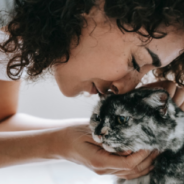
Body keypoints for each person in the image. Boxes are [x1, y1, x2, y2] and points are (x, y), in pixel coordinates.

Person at [0, 0, 184, 180]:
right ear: (93, 6)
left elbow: (3, 122)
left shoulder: (14, 31)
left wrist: (72, 139)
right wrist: (55, 146)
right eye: (135, 62)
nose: (127, 88)